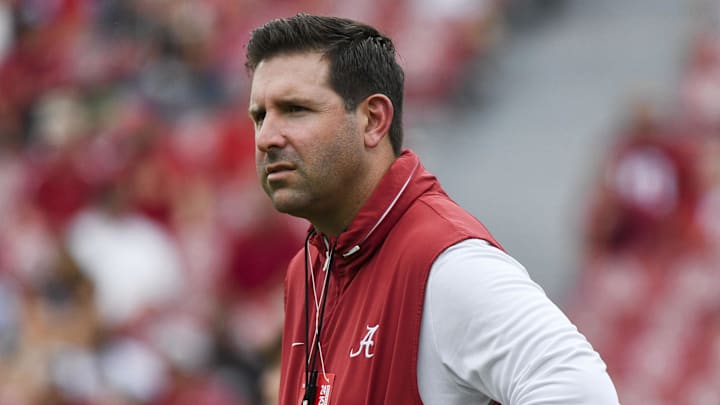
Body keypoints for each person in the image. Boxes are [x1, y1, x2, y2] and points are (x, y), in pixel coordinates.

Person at [244, 13, 619, 405]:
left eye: (296, 109)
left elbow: (582, 393)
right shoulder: (308, 270)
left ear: (373, 120)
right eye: (260, 116)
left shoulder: (446, 263)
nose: (267, 136)